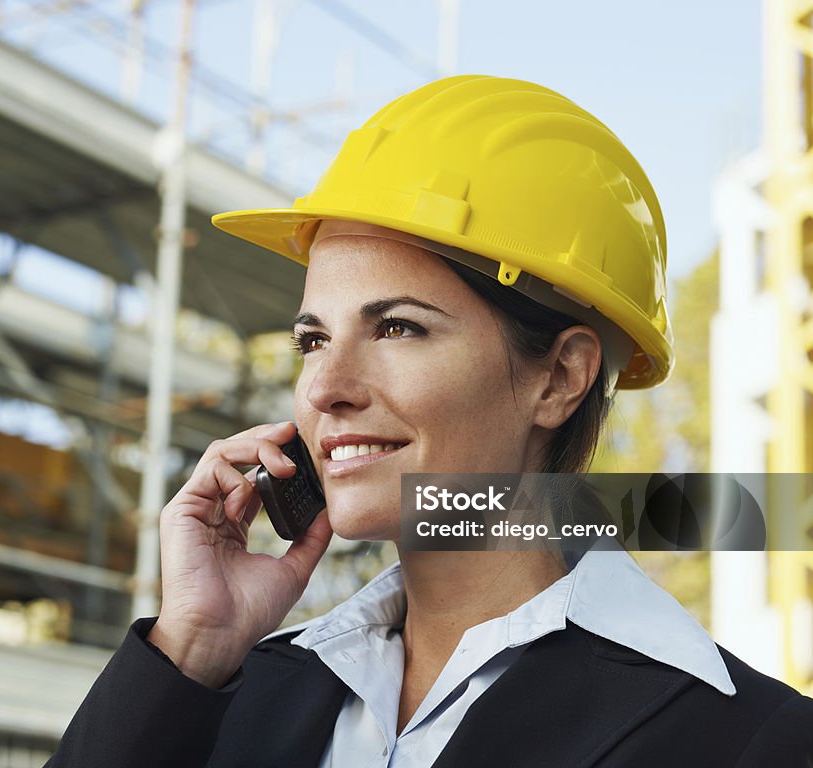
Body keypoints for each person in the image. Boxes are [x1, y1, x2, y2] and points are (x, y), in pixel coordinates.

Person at [45, 76, 813, 767]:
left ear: (560, 377)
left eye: (397, 329)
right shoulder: (227, 693)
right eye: (313, 340)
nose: (326, 389)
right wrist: (191, 647)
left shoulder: (748, 742)